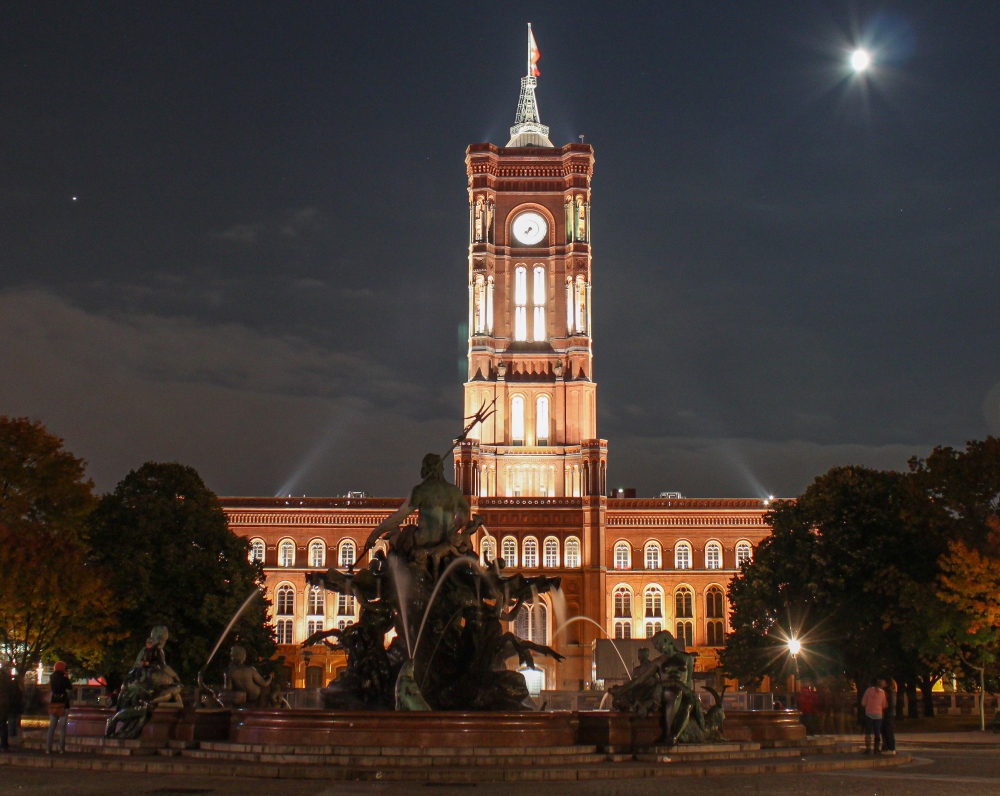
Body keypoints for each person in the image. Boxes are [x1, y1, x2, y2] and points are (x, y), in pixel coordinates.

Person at [46, 662, 72, 754]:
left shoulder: (51, 677)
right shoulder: (64, 678)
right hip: (63, 704)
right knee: (62, 728)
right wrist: (66, 676)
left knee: (52, 727)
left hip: (54, 703)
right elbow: (70, 687)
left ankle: (48, 748)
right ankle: (61, 749)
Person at [860, 677, 888, 754]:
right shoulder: (882, 692)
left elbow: (863, 703)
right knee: (877, 731)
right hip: (879, 714)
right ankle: (877, 748)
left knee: (868, 731)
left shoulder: (868, 691)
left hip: (869, 714)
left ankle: (868, 748)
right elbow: (884, 705)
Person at [880, 677, 897, 756]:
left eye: (883, 680)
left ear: (887, 683)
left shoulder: (887, 692)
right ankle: (887, 747)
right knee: (885, 731)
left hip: (888, 714)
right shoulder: (889, 692)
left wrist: (885, 709)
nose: (881, 682)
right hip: (888, 713)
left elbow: (889, 704)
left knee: (888, 731)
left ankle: (891, 748)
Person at [0, 662, 12, 752]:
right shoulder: (7, 679)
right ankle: (4, 745)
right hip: (4, 703)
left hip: (3, 702)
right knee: (3, 723)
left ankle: (4, 744)